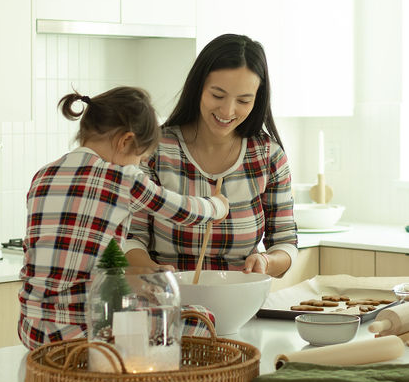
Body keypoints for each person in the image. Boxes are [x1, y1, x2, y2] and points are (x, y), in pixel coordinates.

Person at [18, 86, 228, 348]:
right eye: (140, 158)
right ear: (125, 141)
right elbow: (183, 210)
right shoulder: (123, 179)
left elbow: (76, 252)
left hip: (33, 330)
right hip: (85, 333)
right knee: (201, 318)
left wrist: (144, 278)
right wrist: (217, 206)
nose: (139, 166)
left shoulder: (42, 176)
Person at [125, 34, 297, 278]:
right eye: (217, 95)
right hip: (170, 299)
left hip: (240, 302)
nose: (227, 111)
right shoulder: (154, 150)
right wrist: (155, 272)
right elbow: (131, 237)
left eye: (243, 100)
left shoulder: (268, 156)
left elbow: (286, 242)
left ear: (257, 100)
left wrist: (266, 261)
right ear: (198, 88)